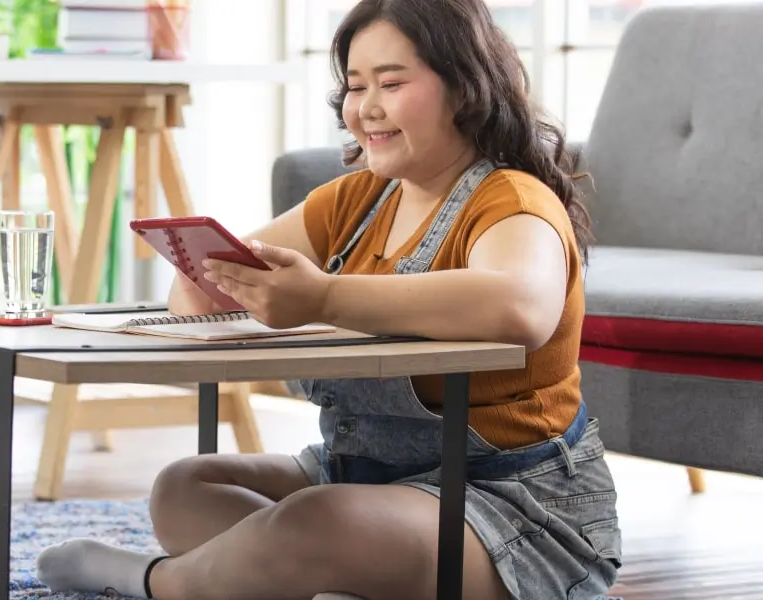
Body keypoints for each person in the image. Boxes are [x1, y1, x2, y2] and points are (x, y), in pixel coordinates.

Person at [35, 0, 623, 598]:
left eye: (392, 83)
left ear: (465, 89)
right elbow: (212, 284)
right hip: (362, 475)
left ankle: (156, 583)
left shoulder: (512, 201)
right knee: (184, 488)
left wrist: (323, 297)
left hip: (508, 504)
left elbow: (519, 308)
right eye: (355, 85)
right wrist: (210, 284)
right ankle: (336, 576)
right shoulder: (357, 200)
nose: (366, 107)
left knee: (314, 521)